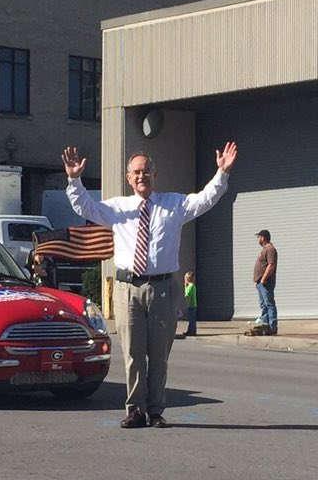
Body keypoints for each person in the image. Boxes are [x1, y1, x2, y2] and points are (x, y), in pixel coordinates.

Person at [61, 142, 238, 429]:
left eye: (146, 172)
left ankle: (156, 411)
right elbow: (85, 206)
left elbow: (205, 199)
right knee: (132, 353)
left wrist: (222, 173)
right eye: (136, 172)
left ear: (155, 175)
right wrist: (74, 179)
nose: (141, 176)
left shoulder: (174, 204)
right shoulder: (119, 208)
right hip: (128, 289)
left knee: (158, 354)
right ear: (129, 178)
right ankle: (134, 410)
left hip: (162, 288)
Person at [253, 229, 278, 335]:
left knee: (269, 304)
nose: (257, 239)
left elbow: (271, 265)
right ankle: (265, 325)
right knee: (263, 305)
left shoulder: (270, 249)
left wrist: (263, 278)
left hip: (266, 282)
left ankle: (272, 326)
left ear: (263, 237)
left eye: (258, 237)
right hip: (260, 283)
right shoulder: (264, 249)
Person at [183, 271, 198, 337]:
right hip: (194, 305)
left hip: (191, 305)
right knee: (192, 319)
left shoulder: (190, 286)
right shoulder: (193, 285)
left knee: (191, 319)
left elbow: (187, 295)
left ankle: (192, 331)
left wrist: (187, 304)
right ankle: (190, 330)